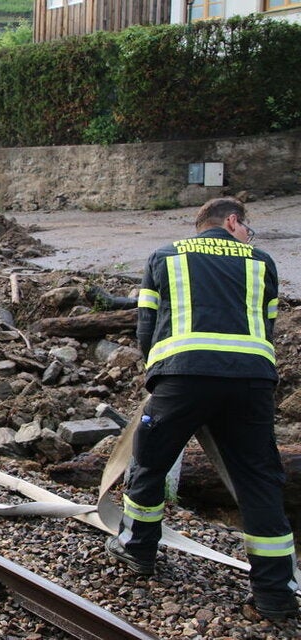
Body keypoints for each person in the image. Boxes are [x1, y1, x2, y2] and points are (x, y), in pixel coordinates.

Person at [106, 197, 298, 620]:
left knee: (150, 462)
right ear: (232, 221)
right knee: (259, 481)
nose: (249, 234)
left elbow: (146, 329)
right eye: (247, 226)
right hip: (250, 382)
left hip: (183, 377)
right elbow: (267, 329)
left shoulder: (165, 256)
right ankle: (275, 594)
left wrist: (160, 378)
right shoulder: (261, 262)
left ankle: (137, 550)